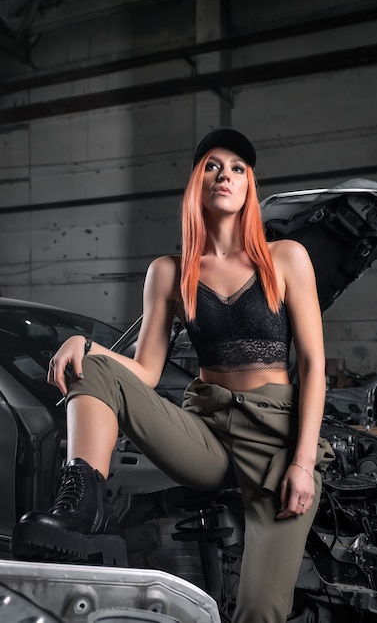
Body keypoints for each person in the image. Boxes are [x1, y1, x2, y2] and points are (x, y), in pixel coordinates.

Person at [12, 128, 334, 623]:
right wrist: (85, 345)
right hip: (205, 431)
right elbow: (144, 370)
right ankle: (81, 508)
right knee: (94, 366)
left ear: (249, 185)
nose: (224, 175)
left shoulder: (286, 258)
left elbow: (313, 366)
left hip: (276, 441)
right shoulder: (170, 272)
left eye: (237, 168)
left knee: (260, 608)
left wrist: (303, 463)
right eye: (212, 165)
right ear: (195, 182)